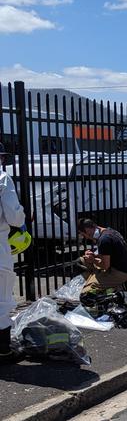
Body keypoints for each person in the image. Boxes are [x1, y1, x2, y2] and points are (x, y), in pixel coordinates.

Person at [0, 143, 26, 363]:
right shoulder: (2, 179)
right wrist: (22, 216)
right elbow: (14, 217)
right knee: (2, 299)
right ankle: (3, 352)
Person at [77, 219, 127, 297]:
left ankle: (117, 288)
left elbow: (105, 265)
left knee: (86, 295)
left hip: (118, 273)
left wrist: (92, 260)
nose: (85, 238)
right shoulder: (109, 231)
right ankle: (101, 282)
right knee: (82, 261)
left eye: (83, 235)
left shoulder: (104, 240)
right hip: (119, 267)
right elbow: (109, 254)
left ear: (87, 230)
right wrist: (94, 255)